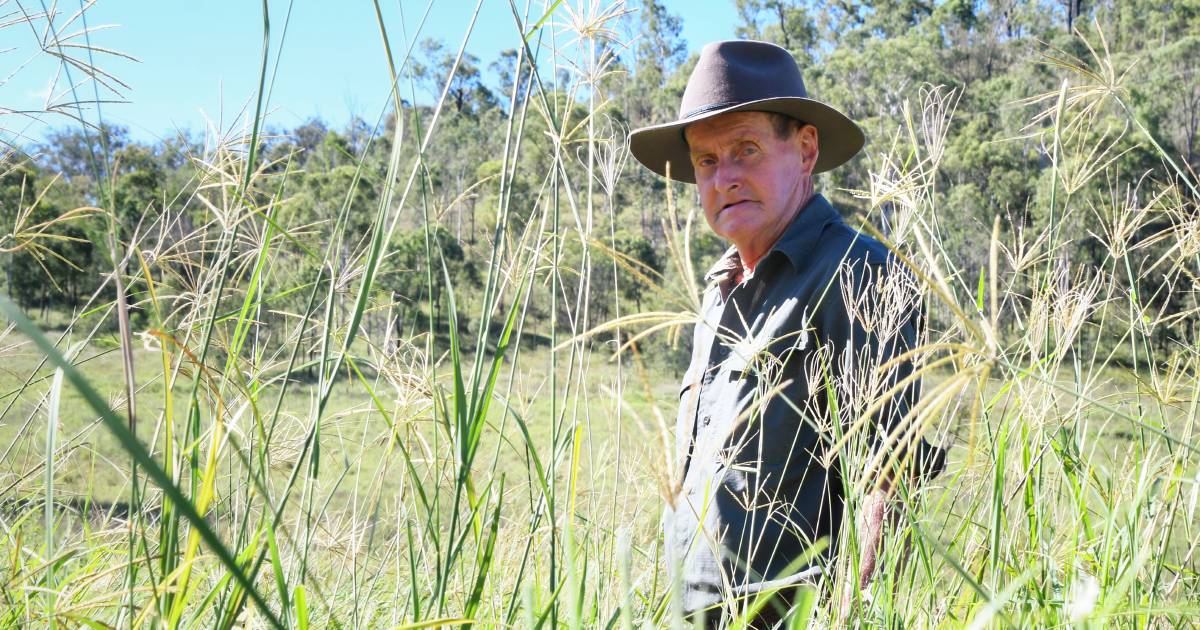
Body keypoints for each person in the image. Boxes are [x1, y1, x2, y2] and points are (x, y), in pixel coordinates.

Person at [628, 40, 945, 628]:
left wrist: (851, 617)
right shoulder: (719, 289)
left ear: (804, 150)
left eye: (745, 150)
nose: (724, 178)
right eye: (705, 161)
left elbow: (887, 479)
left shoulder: (853, 272)